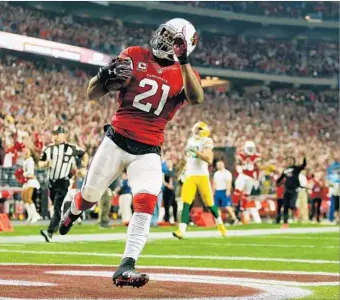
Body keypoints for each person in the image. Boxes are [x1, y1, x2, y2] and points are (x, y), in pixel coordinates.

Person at [58, 18, 204, 288]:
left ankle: (127, 265)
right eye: (163, 33)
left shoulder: (184, 73)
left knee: (146, 202)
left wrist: (183, 62)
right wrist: (103, 76)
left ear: (184, 47)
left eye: (172, 38)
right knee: (90, 194)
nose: (162, 39)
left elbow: (197, 99)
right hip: (117, 139)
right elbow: (93, 93)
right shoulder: (135, 54)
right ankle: (74, 211)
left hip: (148, 149)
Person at [173, 122, 226, 240]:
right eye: (196, 129)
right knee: (186, 202)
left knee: (210, 203)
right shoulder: (190, 140)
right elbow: (188, 159)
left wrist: (196, 152)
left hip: (202, 176)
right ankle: (181, 231)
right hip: (190, 175)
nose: (196, 131)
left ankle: (220, 225)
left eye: (199, 129)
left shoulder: (207, 141)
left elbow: (209, 159)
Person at [39, 126, 87, 242]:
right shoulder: (48, 149)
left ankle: (50, 232)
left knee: (57, 207)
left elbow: (84, 154)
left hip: (63, 181)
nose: (54, 137)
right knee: (56, 207)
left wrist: (84, 166)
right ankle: (64, 222)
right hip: (51, 183)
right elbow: (40, 162)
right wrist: (45, 164)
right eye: (53, 134)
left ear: (64, 135)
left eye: (57, 134)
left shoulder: (71, 148)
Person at [276, 155, 307, 228]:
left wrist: (304, 157)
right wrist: (277, 183)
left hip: (294, 190)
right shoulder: (285, 170)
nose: (289, 162)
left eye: (291, 160)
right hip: (287, 190)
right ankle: (285, 223)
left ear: (294, 161)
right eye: (288, 160)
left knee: (292, 205)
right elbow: (281, 178)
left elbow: (303, 165)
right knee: (285, 206)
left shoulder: (296, 168)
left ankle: (296, 214)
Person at [233, 141, 260, 219]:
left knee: (246, 194)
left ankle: (243, 208)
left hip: (250, 177)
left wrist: (257, 178)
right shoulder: (241, 155)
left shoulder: (256, 156)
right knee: (238, 190)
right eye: (249, 148)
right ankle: (235, 204)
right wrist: (239, 167)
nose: (250, 150)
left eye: (252, 148)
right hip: (243, 175)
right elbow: (237, 163)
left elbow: (257, 167)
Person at [213, 160, 238, 224]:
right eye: (218, 165)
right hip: (217, 191)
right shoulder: (216, 174)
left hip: (224, 191)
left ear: (223, 165)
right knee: (217, 207)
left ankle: (235, 219)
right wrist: (213, 191)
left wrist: (228, 190)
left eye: (220, 165)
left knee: (227, 206)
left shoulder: (227, 173)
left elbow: (228, 182)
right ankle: (219, 221)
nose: (219, 166)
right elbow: (214, 183)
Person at [21, 147, 41, 224]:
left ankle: (35, 215)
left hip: (31, 181)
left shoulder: (30, 161)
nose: (25, 153)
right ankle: (30, 214)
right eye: (24, 151)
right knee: (24, 197)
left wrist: (22, 174)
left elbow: (30, 173)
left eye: (27, 151)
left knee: (28, 198)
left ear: (30, 153)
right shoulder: (26, 161)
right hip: (27, 181)